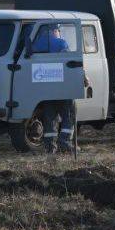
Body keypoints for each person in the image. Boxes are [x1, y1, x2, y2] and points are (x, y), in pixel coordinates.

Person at [33, 24, 76, 154]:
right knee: (68, 114)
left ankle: (50, 147)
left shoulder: (36, 44)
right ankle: (65, 142)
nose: (59, 33)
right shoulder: (61, 43)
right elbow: (71, 61)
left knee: (50, 117)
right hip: (62, 87)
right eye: (58, 30)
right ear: (53, 31)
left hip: (45, 88)